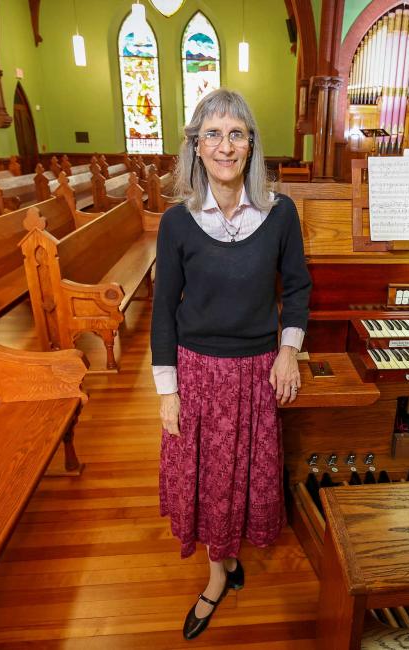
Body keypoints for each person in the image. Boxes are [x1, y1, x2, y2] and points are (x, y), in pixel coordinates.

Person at [150, 88, 311, 640]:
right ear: (195, 146)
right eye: (212, 134)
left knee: (243, 475)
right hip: (196, 372)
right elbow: (163, 311)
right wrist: (166, 390)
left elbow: (297, 287)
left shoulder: (280, 212)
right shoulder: (176, 222)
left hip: (256, 370)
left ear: (251, 146)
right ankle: (218, 574)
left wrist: (288, 350)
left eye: (236, 133)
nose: (224, 145)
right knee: (207, 480)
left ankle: (230, 562)